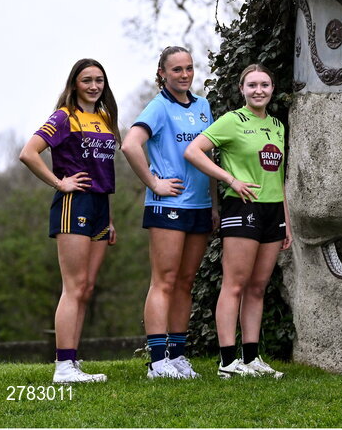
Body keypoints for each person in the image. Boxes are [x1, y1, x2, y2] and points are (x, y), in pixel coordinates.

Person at [184, 64, 292, 379]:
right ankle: (227, 362)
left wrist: (286, 221)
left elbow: (279, 178)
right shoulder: (232, 121)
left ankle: (251, 358)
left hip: (273, 212)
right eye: (252, 85)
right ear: (242, 89)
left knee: (257, 287)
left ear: (272, 89)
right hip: (243, 208)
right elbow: (194, 151)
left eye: (265, 85)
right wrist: (230, 179)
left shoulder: (277, 125)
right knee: (235, 284)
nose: (259, 90)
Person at [19, 59, 120, 384]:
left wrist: (111, 219)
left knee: (87, 288)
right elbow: (29, 152)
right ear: (74, 83)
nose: (94, 86)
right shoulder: (64, 116)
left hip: (100, 208)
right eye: (87, 80)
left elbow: (105, 172)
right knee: (73, 287)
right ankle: (62, 367)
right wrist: (59, 182)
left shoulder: (105, 119)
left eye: (99, 80)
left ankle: (73, 364)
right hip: (73, 203)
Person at [122, 47, 216, 379]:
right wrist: (154, 183)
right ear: (162, 72)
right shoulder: (159, 107)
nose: (185, 74)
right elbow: (130, 145)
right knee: (163, 282)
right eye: (176, 69)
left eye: (189, 68)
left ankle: (177, 356)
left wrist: (214, 203)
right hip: (169, 206)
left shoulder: (203, 106)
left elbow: (211, 157)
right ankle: (157, 361)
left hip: (200, 206)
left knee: (185, 283)